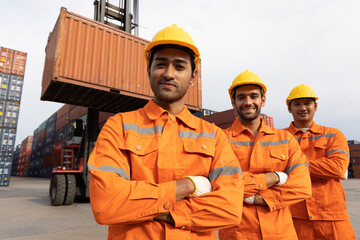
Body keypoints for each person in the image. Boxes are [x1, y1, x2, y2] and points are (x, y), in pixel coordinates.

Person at [87, 24, 244, 240]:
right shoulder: (119, 126)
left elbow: (230, 208)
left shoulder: (214, 136)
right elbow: (106, 204)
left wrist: (156, 210)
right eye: (161, 65)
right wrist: (189, 186)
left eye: (179, 67)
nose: (169, 74)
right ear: (148, 70)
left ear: (192, 76)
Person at [219, 70, 312, 240]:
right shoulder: (221, 140)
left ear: (263, 100)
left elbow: (302, 186)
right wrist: (275, 177)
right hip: (238, 234)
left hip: (281, 234)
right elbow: (221, 186)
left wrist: (257, 198)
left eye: (253, 96)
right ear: (233, 102)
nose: (248, 102)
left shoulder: (285, 139)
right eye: (241, 97)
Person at [284, 84, 356, 240]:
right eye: (297, 104)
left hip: (332, 215)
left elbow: (337, 168)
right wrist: (321, 168)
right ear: (289, 109)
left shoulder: (333, 135)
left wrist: (291, 168)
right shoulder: (279, 138)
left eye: (307, 103)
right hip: (293, 216)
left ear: (315, 106)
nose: (302, 107)